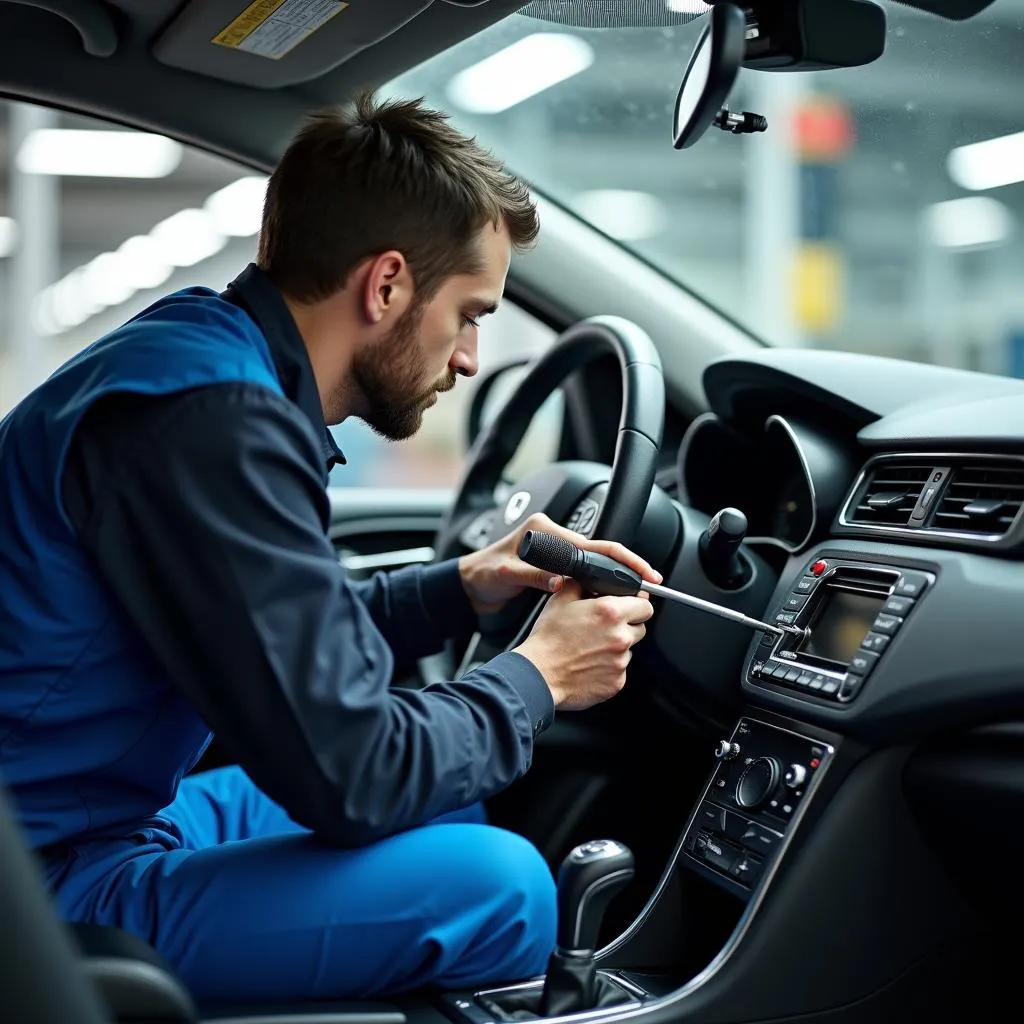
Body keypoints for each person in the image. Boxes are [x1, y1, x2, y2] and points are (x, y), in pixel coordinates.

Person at [0, 92, 660, 1004]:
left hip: (86, 816)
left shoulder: (201, 359)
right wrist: (541, 675)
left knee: (452, 797)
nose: (469, 355)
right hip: (43, 883)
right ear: (386, 284)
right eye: (468, 313)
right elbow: (356, 776)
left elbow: (265, 630)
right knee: (500, 890)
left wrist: (456, 589)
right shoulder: (215, 425)